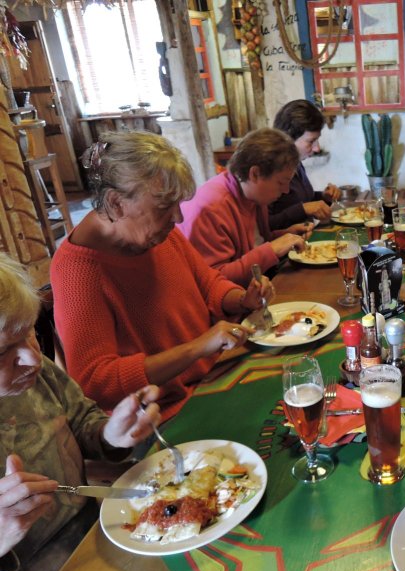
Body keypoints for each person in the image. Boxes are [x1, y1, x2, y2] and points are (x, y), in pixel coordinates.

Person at [52, 131, 271, 420]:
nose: (178, 218)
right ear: (117, 203)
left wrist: (242, 299)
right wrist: (197, 348)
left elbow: (207, 283)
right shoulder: (78, 270)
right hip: (161, 415)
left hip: (211, 378)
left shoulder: (155, 235)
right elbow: (95, 382)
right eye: (165, 207)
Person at [0, 253, 161, 571]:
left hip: (98, 534)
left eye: (28, 330)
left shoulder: (34, 373)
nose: (32, 357)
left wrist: (111, 434)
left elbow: (82, 421)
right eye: (3, 352)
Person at [179, 127, 310, 286]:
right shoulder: (211, 208)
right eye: (281, 182)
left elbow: (255, 245)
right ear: (254, 174)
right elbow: (214, 281)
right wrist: (272, 249)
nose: (286, 190)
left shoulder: (253, 195)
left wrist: (285, 236)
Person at [262, 99, 341, 234]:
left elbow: (303, 200)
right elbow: (263, 226)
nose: (317, 148)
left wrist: (323, 197)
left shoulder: (296, 163)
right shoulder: (268, 171)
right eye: (311, 141)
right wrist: (303, 209)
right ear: (288, 139)